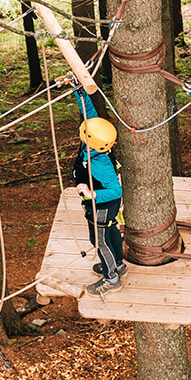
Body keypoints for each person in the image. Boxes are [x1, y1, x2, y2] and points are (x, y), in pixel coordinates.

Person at [70, 88, 124, 295]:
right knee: (110, 231)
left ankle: (112, 278)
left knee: (99, 240)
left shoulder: (100, 163)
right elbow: (89, 116)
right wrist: (79, 93)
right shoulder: (97, 142)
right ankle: (118, 264)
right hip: (103, 206)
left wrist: (93, 195)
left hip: (102, 204)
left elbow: (116, 191)